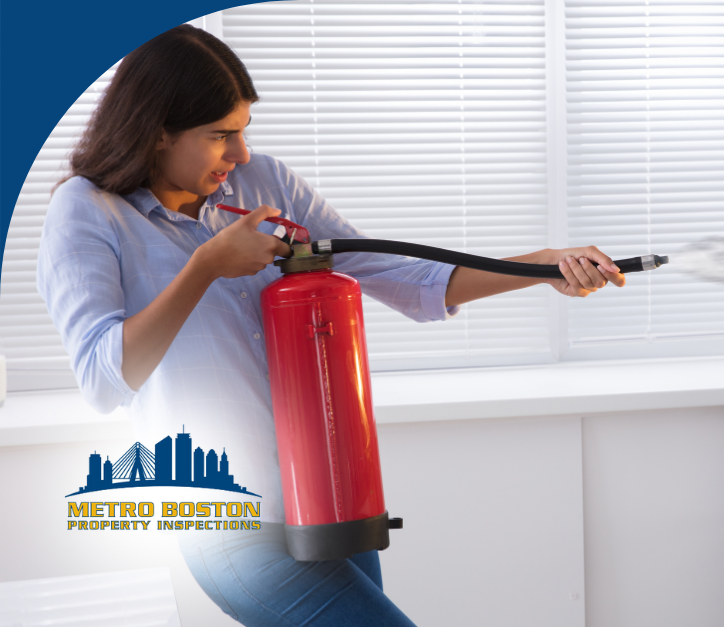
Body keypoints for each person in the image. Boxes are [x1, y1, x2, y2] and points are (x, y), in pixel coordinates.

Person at [37, 24, 623, 627]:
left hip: (332, 495)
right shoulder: (86, 211)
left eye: (243, 131)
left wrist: (542, 267)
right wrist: (206, 267)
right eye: (221, 136)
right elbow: (105, 378)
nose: (239, 154)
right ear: (158, 130)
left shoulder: (263, 182)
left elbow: (403, 276)